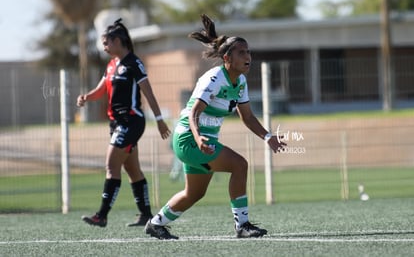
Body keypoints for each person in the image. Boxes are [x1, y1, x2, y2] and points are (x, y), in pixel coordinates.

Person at [144, 14, 286, 239]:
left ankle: (156, 223)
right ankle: (242, 225)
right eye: (242, 52)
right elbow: (194, 113)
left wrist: (268, 136)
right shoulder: (214, 79)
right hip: (190, 139)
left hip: (203, 141)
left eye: (248, 52)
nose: (247, 56)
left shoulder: (239, 82)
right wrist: (199, 138)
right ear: (227, 57)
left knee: (194, 193)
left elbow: (247, 117)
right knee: (240, 165)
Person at [77, 19, 170, 227]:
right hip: (117, 123)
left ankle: (101, 215)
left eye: (106, 42)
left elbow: (149, 92)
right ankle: (146, 214)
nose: (104, 47)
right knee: (132, 169)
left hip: (131, 122)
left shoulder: (133, 63)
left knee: (111, 165)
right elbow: (101, 89)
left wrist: (159, 120)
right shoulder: (112, 65)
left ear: (118, 41)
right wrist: (86, 97)